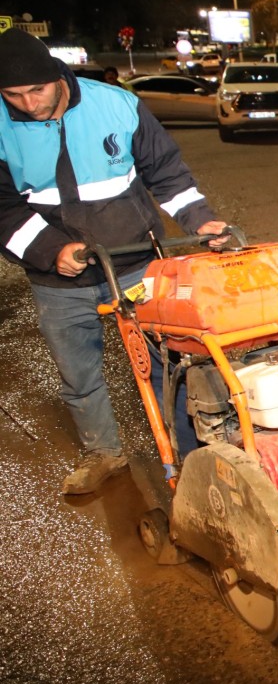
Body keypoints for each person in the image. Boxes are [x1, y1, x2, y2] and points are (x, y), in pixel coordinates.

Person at [0, 29, 229, 495]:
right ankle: (104, 452)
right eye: (13, 95)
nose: (28, 104)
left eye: (36, 90)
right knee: (79, 373)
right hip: (59, 280)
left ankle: (191, 451)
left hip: (134, 262)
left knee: (168, 360)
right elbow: (3, 208)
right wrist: (50, 251)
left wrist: (200, 219)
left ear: (56, 76)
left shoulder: (117, 105)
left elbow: (166, 174)